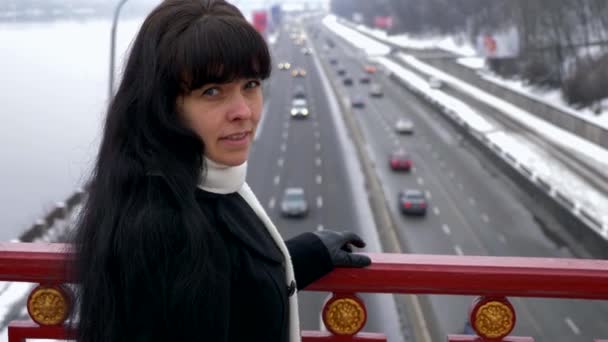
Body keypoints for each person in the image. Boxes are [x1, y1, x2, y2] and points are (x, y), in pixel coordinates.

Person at [70, 1, 371, 341]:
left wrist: (299, 256)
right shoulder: (162, 229)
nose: (243, 111)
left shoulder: (189, 184)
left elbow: (227, 289)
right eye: (212, 91)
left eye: (251, 84)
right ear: (162, 106)